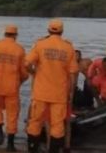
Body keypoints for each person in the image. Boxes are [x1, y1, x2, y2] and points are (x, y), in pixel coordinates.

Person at [25, 19, 79, 153]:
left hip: (40, 93)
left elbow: (26, 63)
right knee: (57, 126)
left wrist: (34, 73)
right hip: (59, 95)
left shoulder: (40, 44)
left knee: (35, 123)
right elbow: (73, 73)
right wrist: (71, 93)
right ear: (62, 31)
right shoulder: (68, 47)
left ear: (48, 30)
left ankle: (32, 149)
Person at [0, 24, 28, 152]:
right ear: (15, 35)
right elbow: (24, 73)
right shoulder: (19, 49)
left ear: (5, 34)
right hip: (12, 88)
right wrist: (20, 82)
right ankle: (10, 144)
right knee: (12, 114)